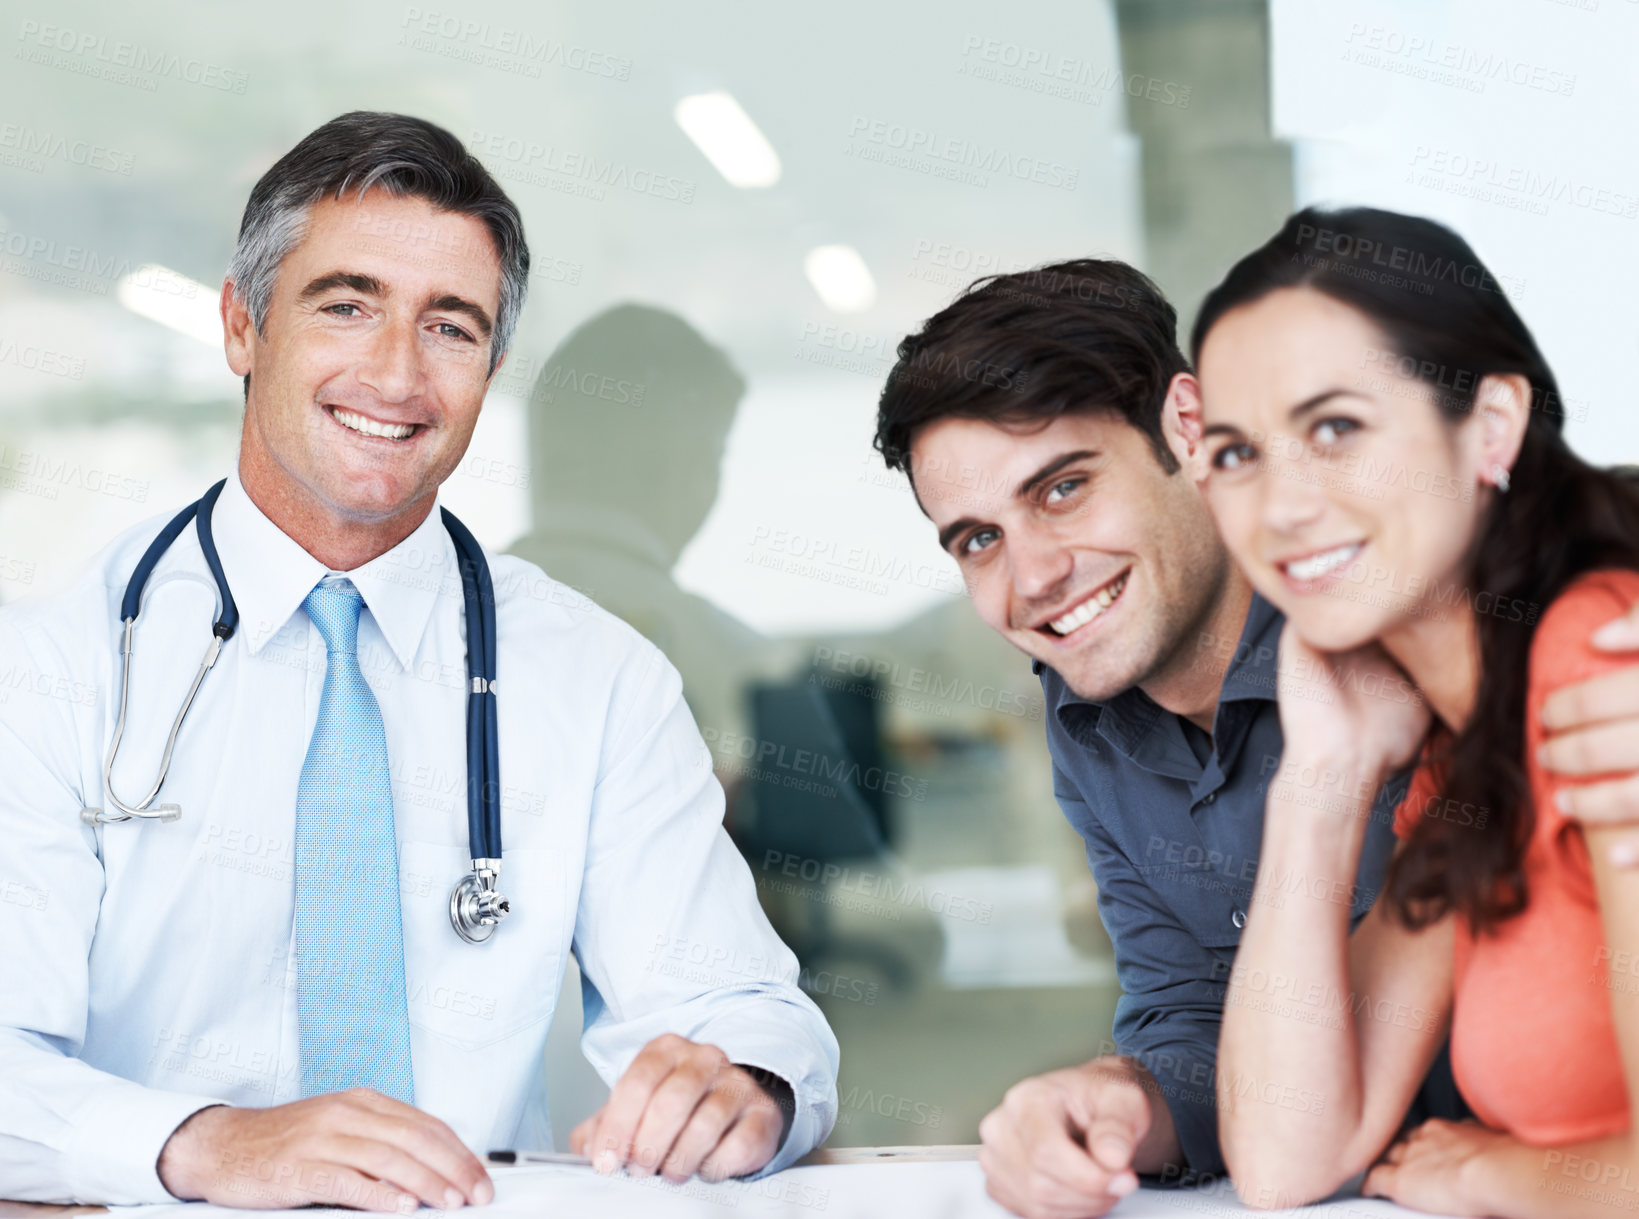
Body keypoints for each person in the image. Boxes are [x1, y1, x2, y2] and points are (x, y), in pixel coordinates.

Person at [0, 112, 838, 1209]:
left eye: (450, 326)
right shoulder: (51, 665)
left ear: (491, 366)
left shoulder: (597, 679)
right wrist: (207, 1144)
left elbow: (745, 1006)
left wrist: (745, 1086)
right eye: (346, 307)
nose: (397, 375)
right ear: (241, 326)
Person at [871, 255, 1639, 1219]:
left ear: (1184, 433)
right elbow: (1207, 1037)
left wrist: (1504, 1174)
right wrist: (1121, 1098)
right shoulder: (1098, 711)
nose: (1032, 577)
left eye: (1063, 487)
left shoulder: (1547, 657)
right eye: (977, 538)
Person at [1198, 206, 1636, 1217]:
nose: (1280, 506)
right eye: (1233, 453)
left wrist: (1492, 1172)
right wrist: (1322, 779)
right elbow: (1283, 1156)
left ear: (1489, 426)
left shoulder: (1594, 659)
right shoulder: (1469, 752)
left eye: (1335, 428)